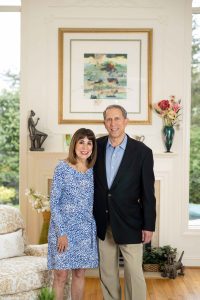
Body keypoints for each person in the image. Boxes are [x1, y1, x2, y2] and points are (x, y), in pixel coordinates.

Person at [93, 105, 156, 300]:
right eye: (109, 119)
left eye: (117, 119)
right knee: (107, 272)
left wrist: (149, 225)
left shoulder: (142, 152)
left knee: (134, 273)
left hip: (131, 221)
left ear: (126, 121)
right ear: (104, 123)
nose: (113, 124)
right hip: (103, 220)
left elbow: (148, 192)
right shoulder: (96, 146)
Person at [48, 128, 98, 300]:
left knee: (79, 273)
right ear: (74, 144)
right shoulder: (62, 168)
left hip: (84, 231)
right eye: (81, 142)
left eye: (89, 143)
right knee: (61, 275)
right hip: (63, 230)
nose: (85, 147)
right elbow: (53, 202)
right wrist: (61, 232)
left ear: (93, 147)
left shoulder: (94, 171)